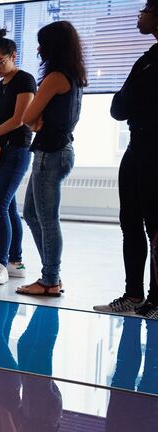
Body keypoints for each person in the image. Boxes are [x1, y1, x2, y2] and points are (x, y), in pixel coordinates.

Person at [95, 1, 158, 318]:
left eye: (145, 9)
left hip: (154, 150)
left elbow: (123, 103)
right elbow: (118, 108)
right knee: (130, 223)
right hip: (137, 146)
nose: (140, 14)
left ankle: (156, 302)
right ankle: (134, 295)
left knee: (155, 227)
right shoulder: (147, 60)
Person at [16, 21, 86, 297]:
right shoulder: (73, 75)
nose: (38, 49)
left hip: (51, 154)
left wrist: (35, 121)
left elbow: (27, 118)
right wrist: (37, 121)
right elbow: (36, 119)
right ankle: (50, 273)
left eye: (42, 43)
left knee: (46, 218)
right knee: (32, 214)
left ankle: (49, 279)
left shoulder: (56, 77)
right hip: (57, 150)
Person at [0, 29, 36, 285]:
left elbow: (19, 119)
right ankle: (15, 262)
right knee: (9, 207)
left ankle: (0, 263)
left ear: (13, 56)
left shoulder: (25, 80)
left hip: (17, 149)